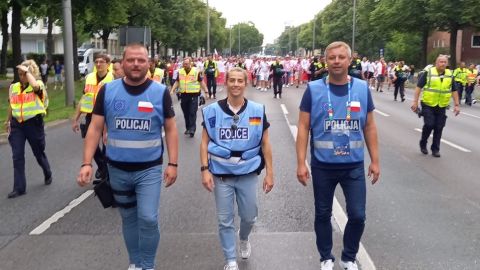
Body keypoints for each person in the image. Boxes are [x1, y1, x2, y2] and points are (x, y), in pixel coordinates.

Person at [77, 44, 179, 270]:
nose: (136, 64)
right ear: (122, 63)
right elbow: (94, 128)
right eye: (131, 60)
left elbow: (171, 129)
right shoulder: (108, 91)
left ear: (148, 64)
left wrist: (173, 163)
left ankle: (148, 265)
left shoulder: (159, 92)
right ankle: (135, 262)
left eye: (141, 60)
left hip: (149, 170)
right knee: (129, 218)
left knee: (148, 218)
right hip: (117, 170)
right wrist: (86, 163)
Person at [296, 41, 380, 270]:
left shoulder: (362, 88)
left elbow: (370, 126)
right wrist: (301, 162)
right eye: (332, 57)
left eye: (341, 57)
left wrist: (375, 160)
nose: (336, 61)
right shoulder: (313, 89)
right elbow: (303, 126)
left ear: (349, 61)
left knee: (358, 215)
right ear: (326, 60)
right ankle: (325, 257)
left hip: (353, 165)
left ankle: (349, 257)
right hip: (323, 165)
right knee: (322, 214)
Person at [200, 67, 274, 270]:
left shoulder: (257, 110)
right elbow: (204, 142)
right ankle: (230, 260)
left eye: (239, 81)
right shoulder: (212, 111)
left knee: (249, 216)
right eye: (231, 80)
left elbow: (265, 143)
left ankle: (243, 237)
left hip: (248, 172)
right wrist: (204, 169)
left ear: (245, 83)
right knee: (225, 220)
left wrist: (270, 173)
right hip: (221, 174)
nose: (235, 84)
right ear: (226, 82)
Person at [4, 60, 52, 198]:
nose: (21, 77)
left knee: (38, 152)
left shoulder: (38, 85)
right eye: (20, 74)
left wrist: (28, 71)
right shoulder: (14, 87)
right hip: (17, 124)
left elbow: (36, 86)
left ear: (30, 74)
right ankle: (19, 188)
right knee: (17, 155)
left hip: (33, 124)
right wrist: (7, 121)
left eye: (24, 74)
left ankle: (47, 171)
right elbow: (12, 105)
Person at [72, 53, 114, 181]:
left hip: (108, 116)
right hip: (92, 115)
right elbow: (84, 99)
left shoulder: (113, 79)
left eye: (102, 62)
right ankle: (102, 166)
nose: (99, 64)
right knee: (91, 144)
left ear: (108, 64)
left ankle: (108, 172)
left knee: (108, 145)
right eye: (96, 62)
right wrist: (76, 118)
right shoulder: (89, 78)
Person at [411, 55, 460, 157]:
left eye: (444, 62)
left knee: (439, 127)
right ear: (436, 63)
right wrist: (415, 102)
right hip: (428, 104)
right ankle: (423, 143)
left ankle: (435, 149)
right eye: (441, 62)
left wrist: (456, 105)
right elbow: (418, 88)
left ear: (447, 64)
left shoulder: (449, 75)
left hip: (441, 105)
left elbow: (454, 90)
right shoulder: (428, 73)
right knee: (429, 124)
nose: (443, 64)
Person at [170, 57, 208, 137]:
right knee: (186, 113)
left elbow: (202, 83)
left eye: (187, 63)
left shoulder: (195, 71)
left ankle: (192, 129)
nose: (185, 65)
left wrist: (206, 92)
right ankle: (188, 128)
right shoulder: (180, 72)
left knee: (192, 112)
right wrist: (172, 90)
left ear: (190, 63)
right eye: (184, 64)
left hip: (193, 95)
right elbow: (177, 82)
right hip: (184, 95)